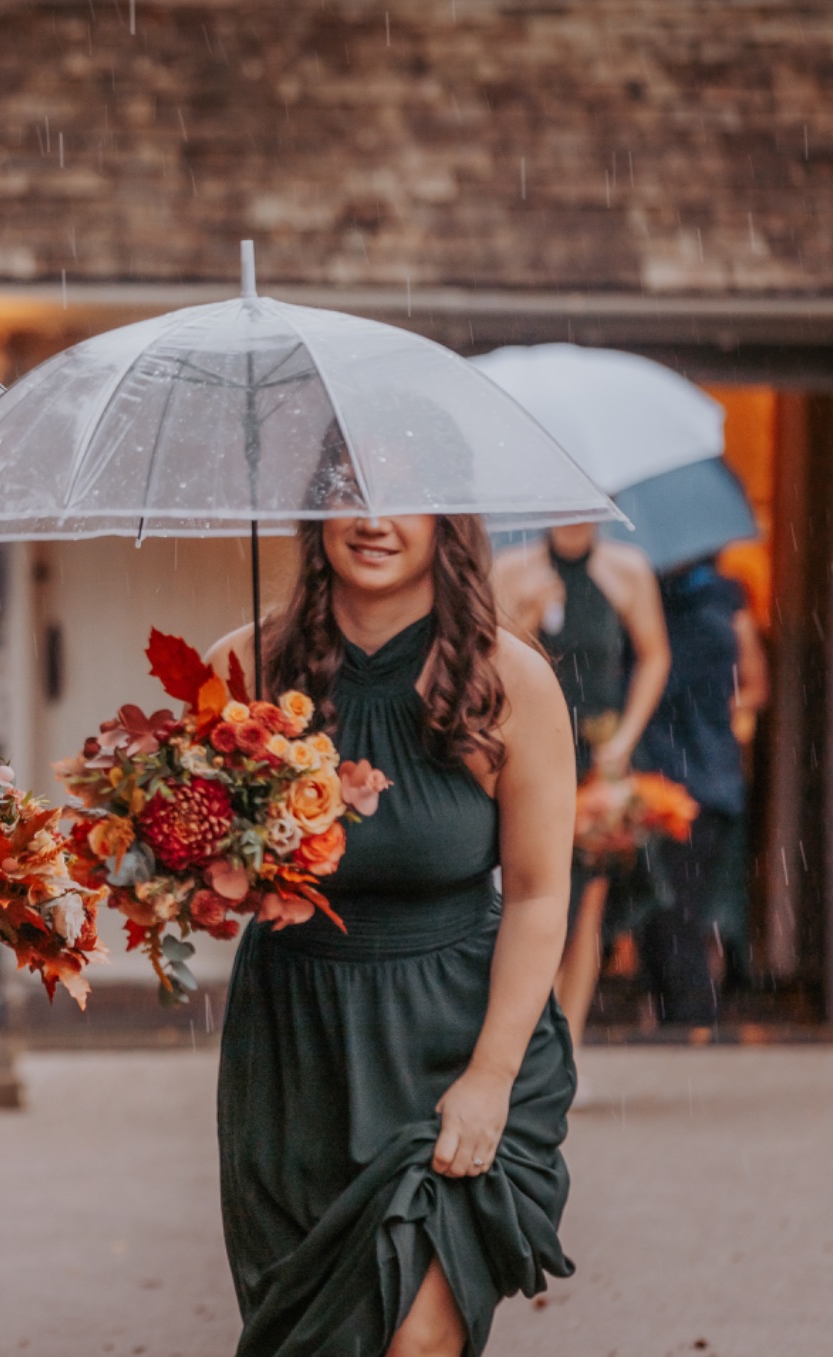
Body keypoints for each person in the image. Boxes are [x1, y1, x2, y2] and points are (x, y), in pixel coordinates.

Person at [210, 514, 577, 1357]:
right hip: (295, 1050)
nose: (372, 519)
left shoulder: (508, 678)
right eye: (351, 491)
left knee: (415, 1334)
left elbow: (536, 894)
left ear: (447, 522)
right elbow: (198, 872)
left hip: (456, 1043)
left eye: (402, 493)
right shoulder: (241, 670)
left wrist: (491, 1077)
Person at [493, 524, 670, 1053]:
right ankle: (526, 1040)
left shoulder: (627, 569)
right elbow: (490, 662)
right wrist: (526, 617)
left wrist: (625, 738)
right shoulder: (511, 570)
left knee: (589, 904)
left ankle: (565, 1047)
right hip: (535, 750)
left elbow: (654, 656)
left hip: (599, 752)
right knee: (533, 895)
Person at [635, 555, 767, 1024]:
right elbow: (754, 686)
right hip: (691, 774)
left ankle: (689, 1019)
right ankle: (682, 1018)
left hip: (680, 774)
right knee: (672, 909)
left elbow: (753, 685)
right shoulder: (726, 602)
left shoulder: (653, 599)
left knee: (671, 910)